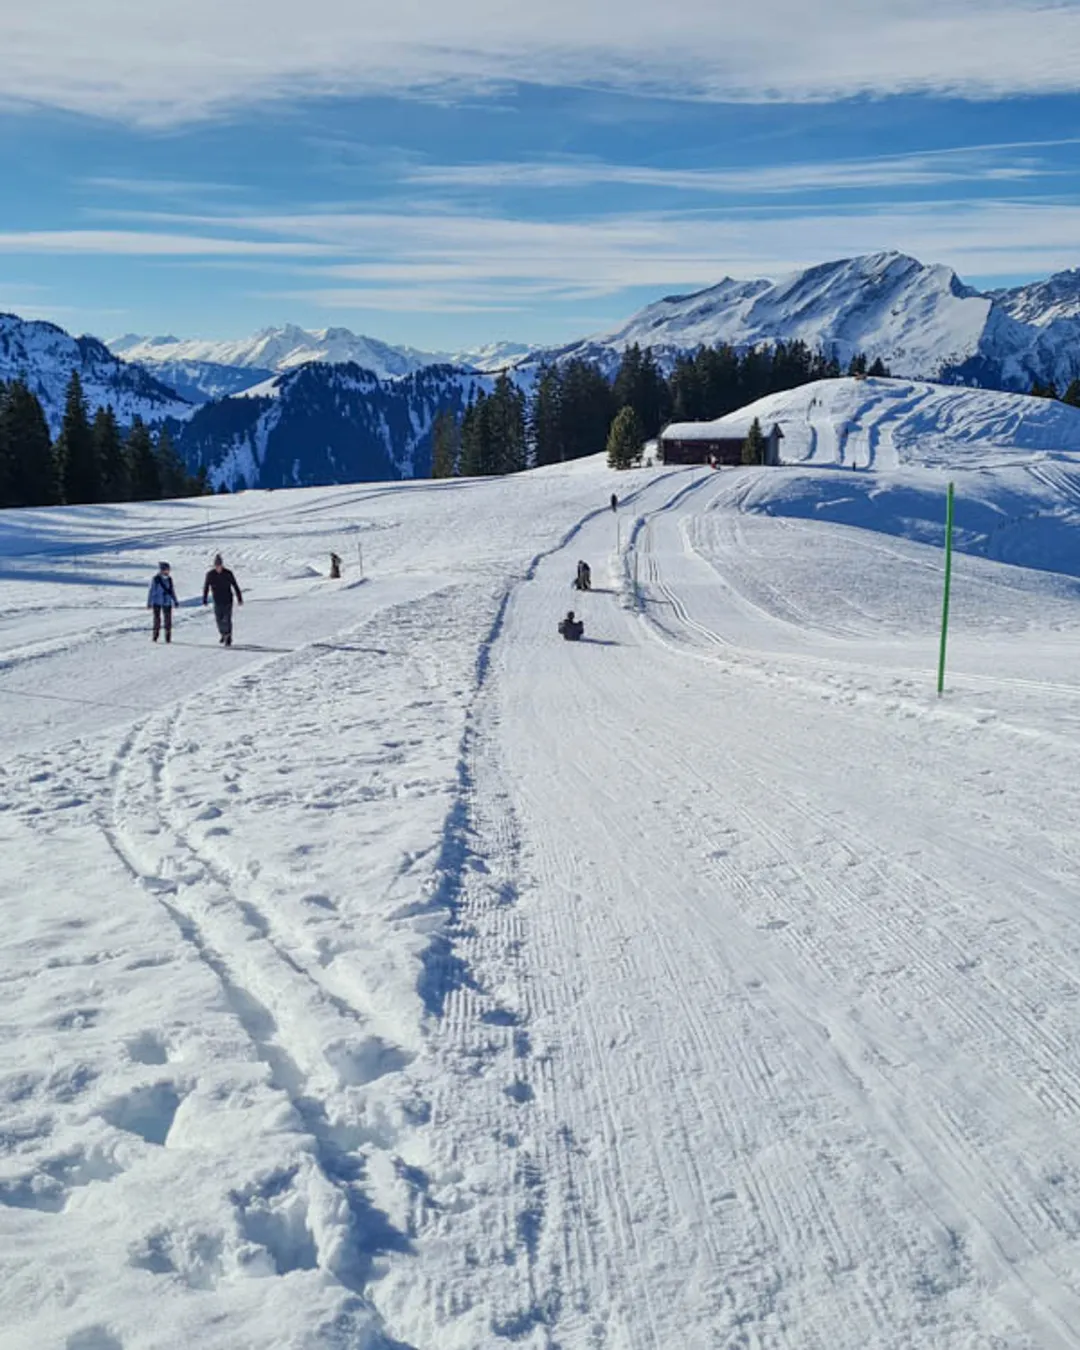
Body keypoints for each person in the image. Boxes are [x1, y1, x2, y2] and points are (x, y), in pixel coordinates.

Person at [202, 553, 243, 646]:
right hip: (217, 600)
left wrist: (239, 598)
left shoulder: (228, 573)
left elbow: (235, 585)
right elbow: (206, 587)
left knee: (227, 619)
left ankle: (228, 636)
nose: (218, 567)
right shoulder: (210, 574)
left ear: (222, 565)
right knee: (219, 619)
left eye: (219, 565)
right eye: (216, 565)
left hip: (228, 599)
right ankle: (223, 634)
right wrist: (204, 598)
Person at [147, 561, 178, 644]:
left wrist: (175, 600)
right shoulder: (156, 579)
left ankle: (168, 637)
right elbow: (151, 591)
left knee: (168, 620)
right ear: (161, 570)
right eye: (166, 570)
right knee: (157, 620)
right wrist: (149, 602)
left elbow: (172, 590)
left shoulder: (169, 579)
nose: (167, 571)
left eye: (168, 570)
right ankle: (155, 636)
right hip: (157, 602)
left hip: (167, 602)